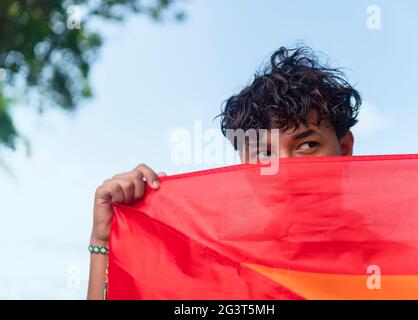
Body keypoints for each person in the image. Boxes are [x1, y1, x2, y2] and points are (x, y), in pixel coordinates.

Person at [87, 45, 361, 299]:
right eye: (264, 154)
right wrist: (104, 240)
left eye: (307, 145)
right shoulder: (218, 264)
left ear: (345, 149)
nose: (284, 169)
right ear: (243, 166)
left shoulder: (390, 265)